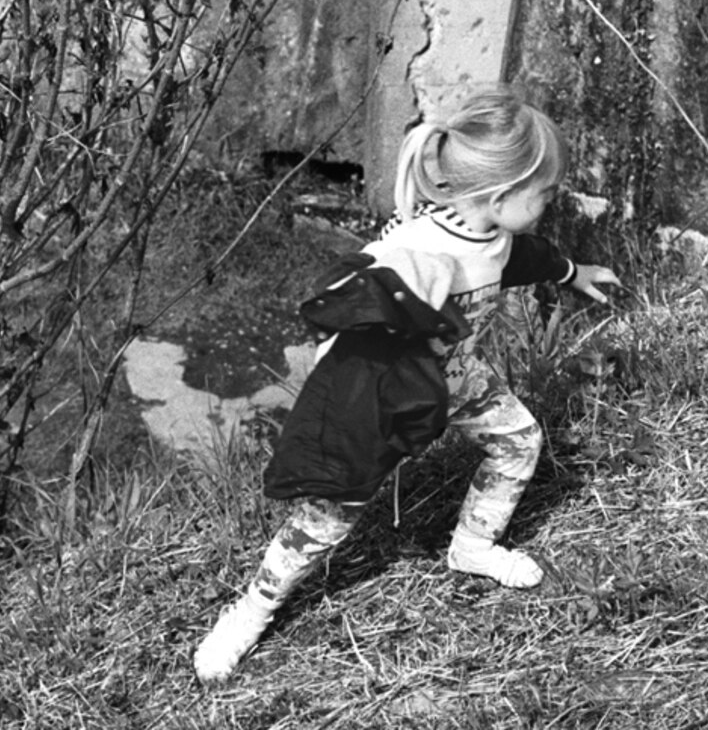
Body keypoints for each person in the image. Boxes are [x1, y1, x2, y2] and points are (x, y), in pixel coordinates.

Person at [192, 89, 621, 683]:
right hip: (387, 399)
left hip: (457, 381)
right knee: (328, 518)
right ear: (500, 195)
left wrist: (574, 273)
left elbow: (518, 257)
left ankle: (472, 546)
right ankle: (253, 608)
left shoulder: (491, 233)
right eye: (545, 194)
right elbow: (350, 307)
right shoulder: (418, 250)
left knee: (520, 440)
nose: (553, 202)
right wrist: (379, 306)